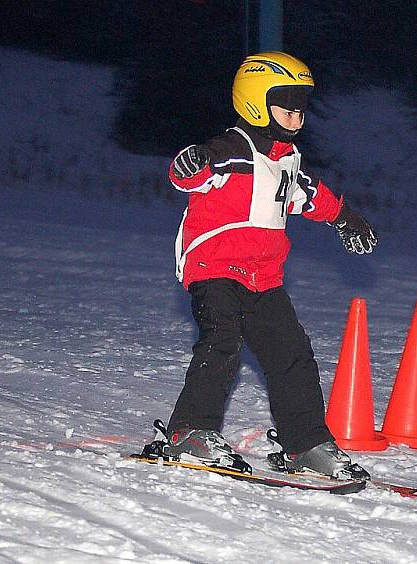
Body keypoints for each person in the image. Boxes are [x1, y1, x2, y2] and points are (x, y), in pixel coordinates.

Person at [163, 51, 378, 480]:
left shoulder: (286, 160)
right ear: (255, 103)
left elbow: (310, 195)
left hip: (263, 277)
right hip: (216, 268)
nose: (296, 118)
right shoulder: (230, 151)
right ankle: (191, 431)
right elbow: (192, 175)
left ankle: (305, 444)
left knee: (292, 355)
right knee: (222, 343)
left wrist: (345, 219)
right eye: (286, 107)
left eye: (302, 109)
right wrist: (189, 164)